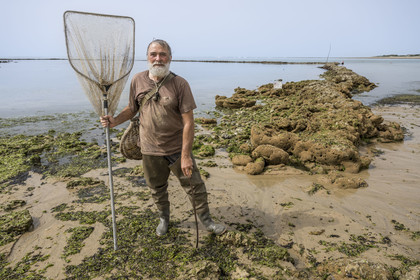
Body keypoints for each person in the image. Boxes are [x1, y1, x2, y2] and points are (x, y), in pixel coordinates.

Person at [100, 39, 226, 237]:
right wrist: (114, 120)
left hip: (176, 149)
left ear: (170, 58)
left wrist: (185, 156)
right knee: (157, 188)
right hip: (149, 149)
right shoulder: (137, 80)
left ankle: (207, 221)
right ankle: (164, 219)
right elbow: (132, 109)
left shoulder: (180, 84)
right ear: (148, 57)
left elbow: (189, 123)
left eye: (162, 54)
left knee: (195, 186)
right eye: (153, 54)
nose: (158, 58)